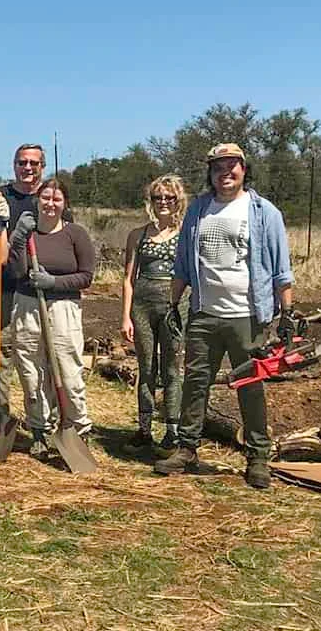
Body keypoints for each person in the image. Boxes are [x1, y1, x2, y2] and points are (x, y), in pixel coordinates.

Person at [155, 143, 295, 489]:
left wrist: (287, 313)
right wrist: (172, 306)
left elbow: (281, 270)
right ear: (211, 173)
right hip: (204, 313)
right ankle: (187, 448)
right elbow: (184, 264)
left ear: (244, 170)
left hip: (248, 316)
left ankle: (258, 456)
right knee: (195, 383)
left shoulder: (264, 212)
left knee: (250, 386)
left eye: (232, 166)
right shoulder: (199, 210)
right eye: (219, 168)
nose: (225, 173)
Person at [0, 144, 73, 441]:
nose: (27, 168)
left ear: (42, 166)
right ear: (14, 164)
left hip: (38, 292)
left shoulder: (50, 197)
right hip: (3, 289)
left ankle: (53, 423)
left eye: (33, 163)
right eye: (22, 162)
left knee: (46, 360)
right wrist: (0, 224)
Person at [6, 179, 95, 459]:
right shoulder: (28, 234)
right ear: (37, 200)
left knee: (68, 371)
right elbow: (17, 272)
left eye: (57, 199)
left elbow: (86, 276)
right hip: (28, 306)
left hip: (63, 309)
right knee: (32, 372)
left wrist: (53, 281)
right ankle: (40, 431)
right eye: (45, 197)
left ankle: (77, 429)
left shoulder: (75, 234)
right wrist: (18, 239)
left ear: (65, 203)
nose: (50, 204)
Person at [120, 174, 187, 454]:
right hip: (142, 308)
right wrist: (125, 316)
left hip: (174, 308)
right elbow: (128, 277)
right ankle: (144, 429)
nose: (163, 203)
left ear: (178, 201)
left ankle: (172, 430)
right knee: (146, 367)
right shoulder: (138, 235)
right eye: (158, 198)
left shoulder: (185, 234)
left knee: (172, 369)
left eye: (168, 198)